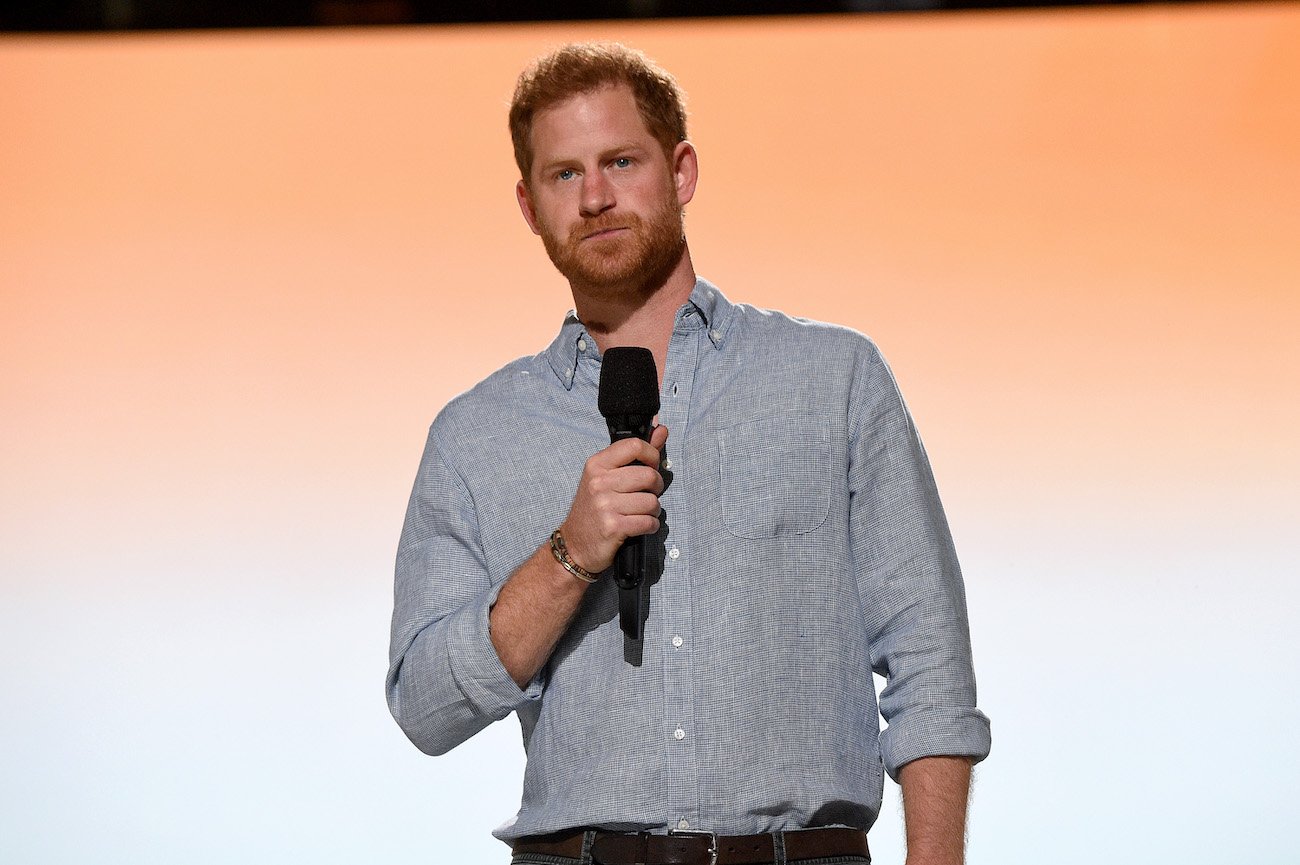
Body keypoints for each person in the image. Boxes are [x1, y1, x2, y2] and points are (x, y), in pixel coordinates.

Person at [387, 42, 991, 865]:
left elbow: (930, 659)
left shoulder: (832, 378)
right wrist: (569, 555)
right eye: (564, 174)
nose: (594, 197)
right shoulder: (476, 434)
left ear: (681, 172)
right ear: (529, 206)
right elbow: (426, 705)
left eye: (621, 161)